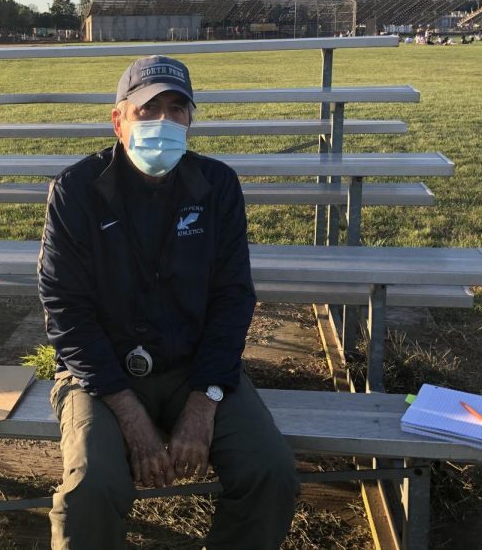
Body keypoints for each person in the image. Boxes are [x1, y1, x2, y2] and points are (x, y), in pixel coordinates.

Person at [38, 55, 299, 550]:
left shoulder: (217, 186)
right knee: (91, 489)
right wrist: (130, 415)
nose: (163, 122)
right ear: (118, 120)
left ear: (190, 121)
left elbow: (233, 298)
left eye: (177, 110)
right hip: (100, 374)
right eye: (147, 109)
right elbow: (65, 311)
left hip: (197, 368)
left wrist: (204, 402)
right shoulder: (76, 191)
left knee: (271, 472)